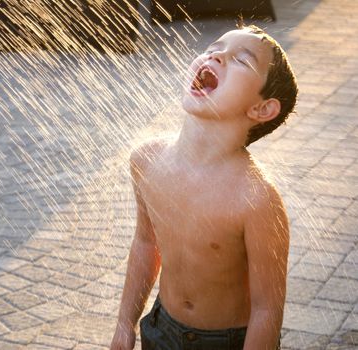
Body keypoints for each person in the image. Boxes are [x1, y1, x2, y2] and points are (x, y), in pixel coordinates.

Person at [110, 24, 298, 350]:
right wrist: (125, 324)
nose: (218, 55)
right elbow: (145, 243)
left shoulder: (257, 200)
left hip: (226, 343)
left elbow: (267, 309)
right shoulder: (147, 160)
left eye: (242, 59)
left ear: (261, 108)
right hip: (160, 329)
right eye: (214, 48)